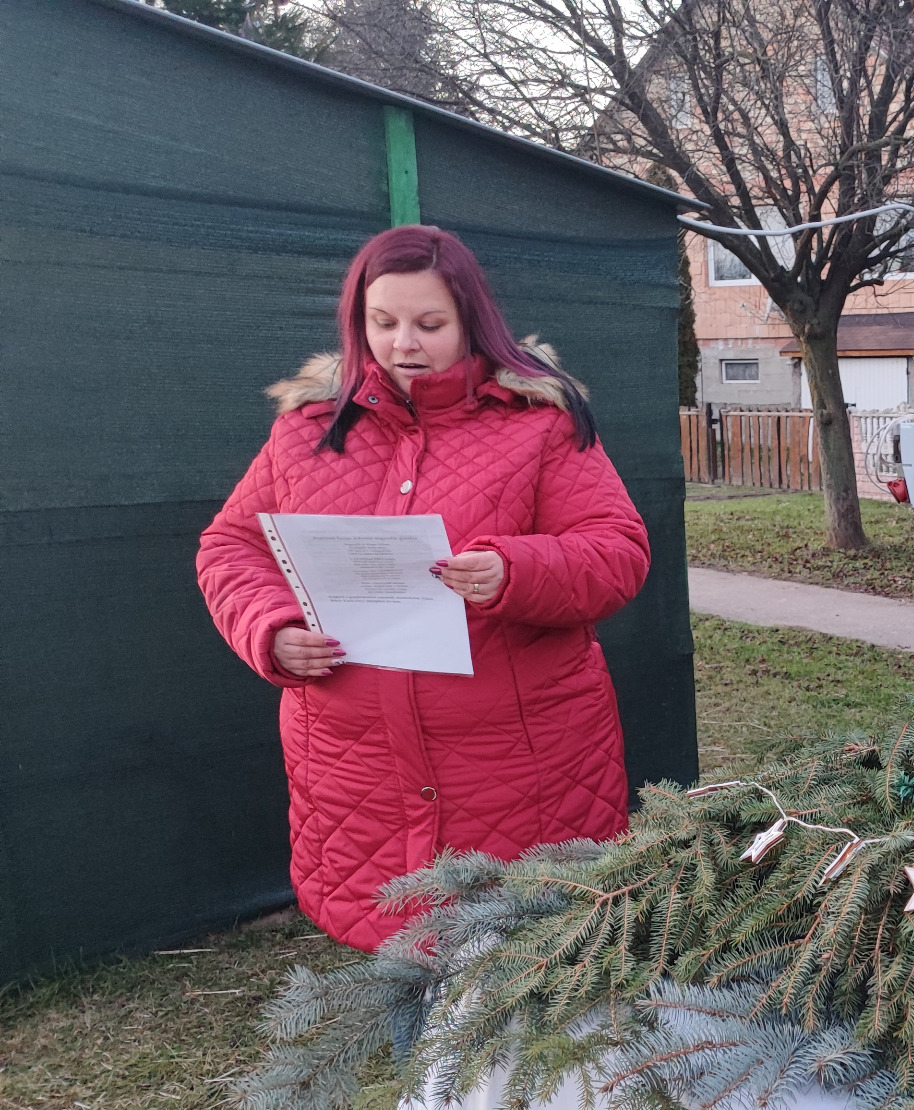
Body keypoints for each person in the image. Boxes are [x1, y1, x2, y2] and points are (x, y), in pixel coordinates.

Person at [198, 226, 651, 952]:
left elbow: (619, 551)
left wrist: (514, 570)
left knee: (526, 965)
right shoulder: (307, 430)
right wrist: (271, 629)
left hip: (519, 763)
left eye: (430, 324)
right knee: (397, 967)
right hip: (354, 767)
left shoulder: (538, 422)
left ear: (472, 320)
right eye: (382, 322)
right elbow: (231, 547)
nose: (403, 344)